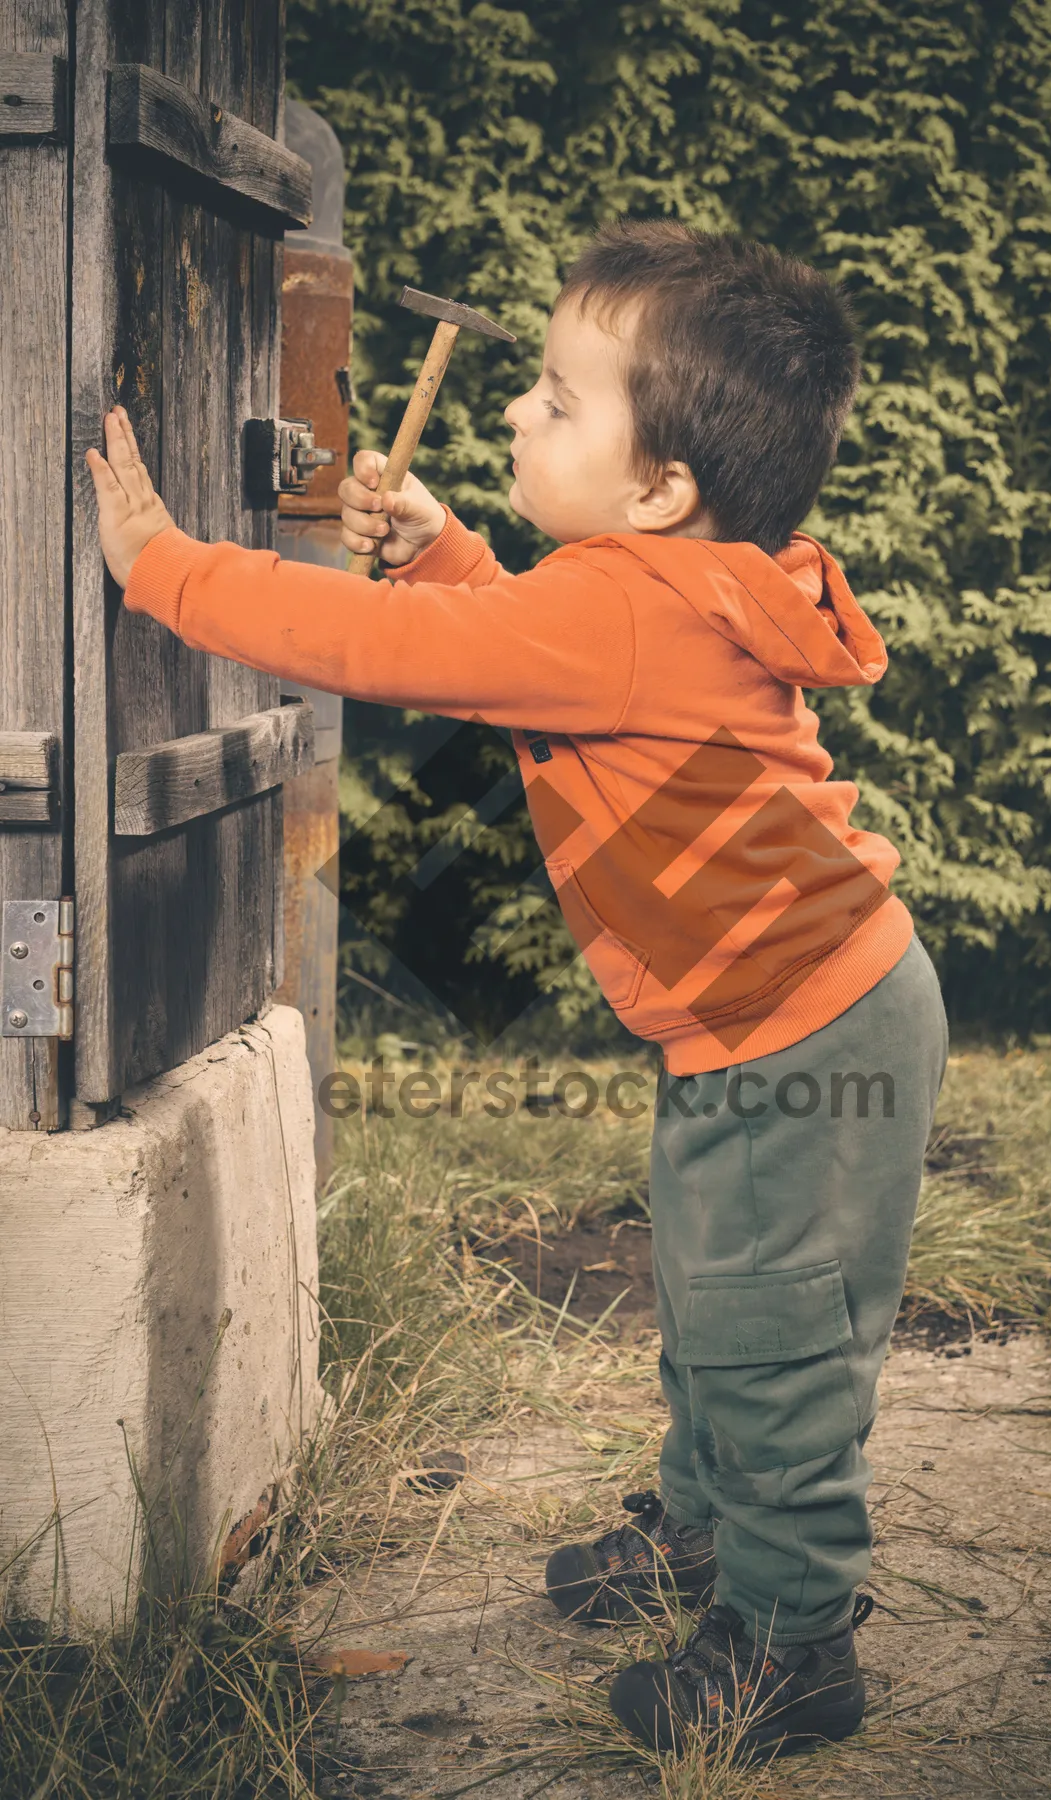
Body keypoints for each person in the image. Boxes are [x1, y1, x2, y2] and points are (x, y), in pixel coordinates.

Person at [88, 219, 948, 1762]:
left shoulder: (622, 606)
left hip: (804, 1025)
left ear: (659, 488)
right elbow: (528, 641)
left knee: (770, 1333)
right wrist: (448, 546)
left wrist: (164, 568)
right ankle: (702, 1536)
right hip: (777, 1013)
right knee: (713, 1295)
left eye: (556, 399)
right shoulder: (650, 592)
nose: (511, 415)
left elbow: (370, 640)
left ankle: (794, 1640)